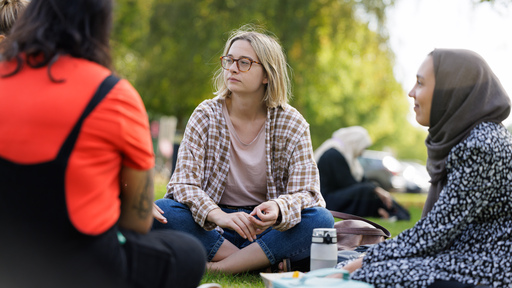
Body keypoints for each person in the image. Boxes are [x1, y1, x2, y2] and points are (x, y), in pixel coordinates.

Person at [0, 1, 206, 287]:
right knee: (189, 253)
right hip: (79, 265)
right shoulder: (114, 94)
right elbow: (138, 221)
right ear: (100, 26)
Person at [152, 26, 334, 274]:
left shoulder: (293, 123)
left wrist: (280, 208)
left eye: (245, 62)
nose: (232, 68)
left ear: (267, 75)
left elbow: (310, 194)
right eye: (228, 60)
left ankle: (220, 268)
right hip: (215, 228)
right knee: (162, 211)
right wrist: (218, 215)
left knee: (321, 219)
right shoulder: (205, 115)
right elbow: (182, 185)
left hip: (267, 230)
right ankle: (258, 263)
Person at [340, 49, 512, 287]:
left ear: (450, 90)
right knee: (361, 263)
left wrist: (358, 265)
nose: (411, 92)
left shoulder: (481, 145)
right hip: (464, 256)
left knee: (368, 272)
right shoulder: (469, 137)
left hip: (488, 266)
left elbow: (434, 234)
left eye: (420, 83)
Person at [314, 126, 409, 220]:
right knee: (366, 190)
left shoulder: (349, 157)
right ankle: (391, 213)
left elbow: (363, 181)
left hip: (337, 198)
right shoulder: (333, 154)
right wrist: (375, 189)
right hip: (328, 201)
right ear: (355, 143)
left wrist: (379, 190)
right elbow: (349, 184)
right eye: (363, 148)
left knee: (369, 189)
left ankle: (395, 212)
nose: (362, 153)